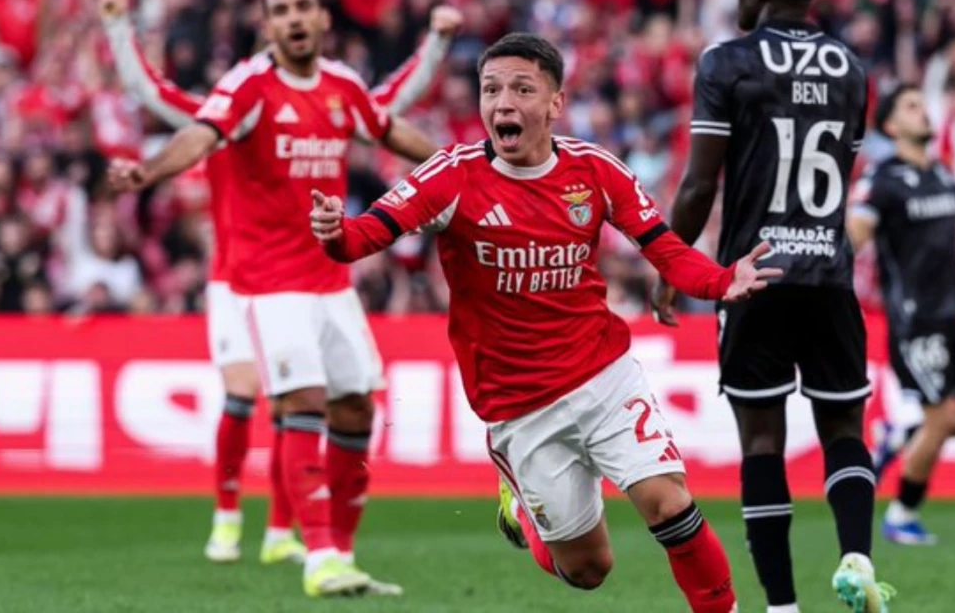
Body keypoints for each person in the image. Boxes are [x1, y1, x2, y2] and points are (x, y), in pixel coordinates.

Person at [310, 32, 783, 613]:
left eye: (521, 89)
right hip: (519, 406)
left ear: (555, 103)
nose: (502, 103)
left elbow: (663, 247)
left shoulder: (594, 170)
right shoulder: (451, 176)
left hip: (604, 375)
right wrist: (337, 233)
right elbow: (365, 236)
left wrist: (718, 281)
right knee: (588, 571)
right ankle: (522, 510)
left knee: (669, 504)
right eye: (491, 90)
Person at [97, 0, 458, 570]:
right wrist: (148, 169)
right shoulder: (237, 96)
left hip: (328, 275)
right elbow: (165, 107)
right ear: (264, 26)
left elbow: (386, 113)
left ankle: (293, 536)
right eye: (280, 12)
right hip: (246, 280)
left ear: (321, 18)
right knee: (262, 397)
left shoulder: (339, 88)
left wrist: (458, 163)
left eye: (302, 9)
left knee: (343, 406)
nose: (293, 21)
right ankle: (235, 521)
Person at [651, 0, 894, 611]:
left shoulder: (727, 61)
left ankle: (782, 607)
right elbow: (840, 172)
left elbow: (701, 182)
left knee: (763, 441)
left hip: (753, 277)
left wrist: (672, 260)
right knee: (844, 429)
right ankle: (857, 557)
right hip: (828, 273)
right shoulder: (852, 67)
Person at [848, 85, 955, 545]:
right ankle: (901, 515)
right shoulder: (882, 179)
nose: (924, 113)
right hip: (916, 320)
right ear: (892, 126)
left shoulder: (940, 173)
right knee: (940, 418)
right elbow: (858, 230)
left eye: (923, 104)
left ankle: (901, 437)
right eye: (912, 107)